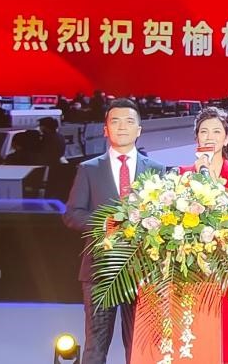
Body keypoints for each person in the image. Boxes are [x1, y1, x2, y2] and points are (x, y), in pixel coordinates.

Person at [63, 99, 164, 364]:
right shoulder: (89, 169)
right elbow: (72, 214)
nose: (122, 127)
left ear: (139, 130)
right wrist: (104, 224)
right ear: (105, 129)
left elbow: (165, 218)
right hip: (99, 272)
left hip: (142, 271)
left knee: (139, 347)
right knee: (95, 346)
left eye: (129, 122)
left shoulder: (157, 170)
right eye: (115, 121)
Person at [180, 106, 228, 364]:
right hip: (194, 267)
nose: (209, 137)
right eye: (204, 131)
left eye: (216, 131)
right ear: (197, 138)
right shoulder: (184, 174)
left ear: (227, 138)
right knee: (197, 341)